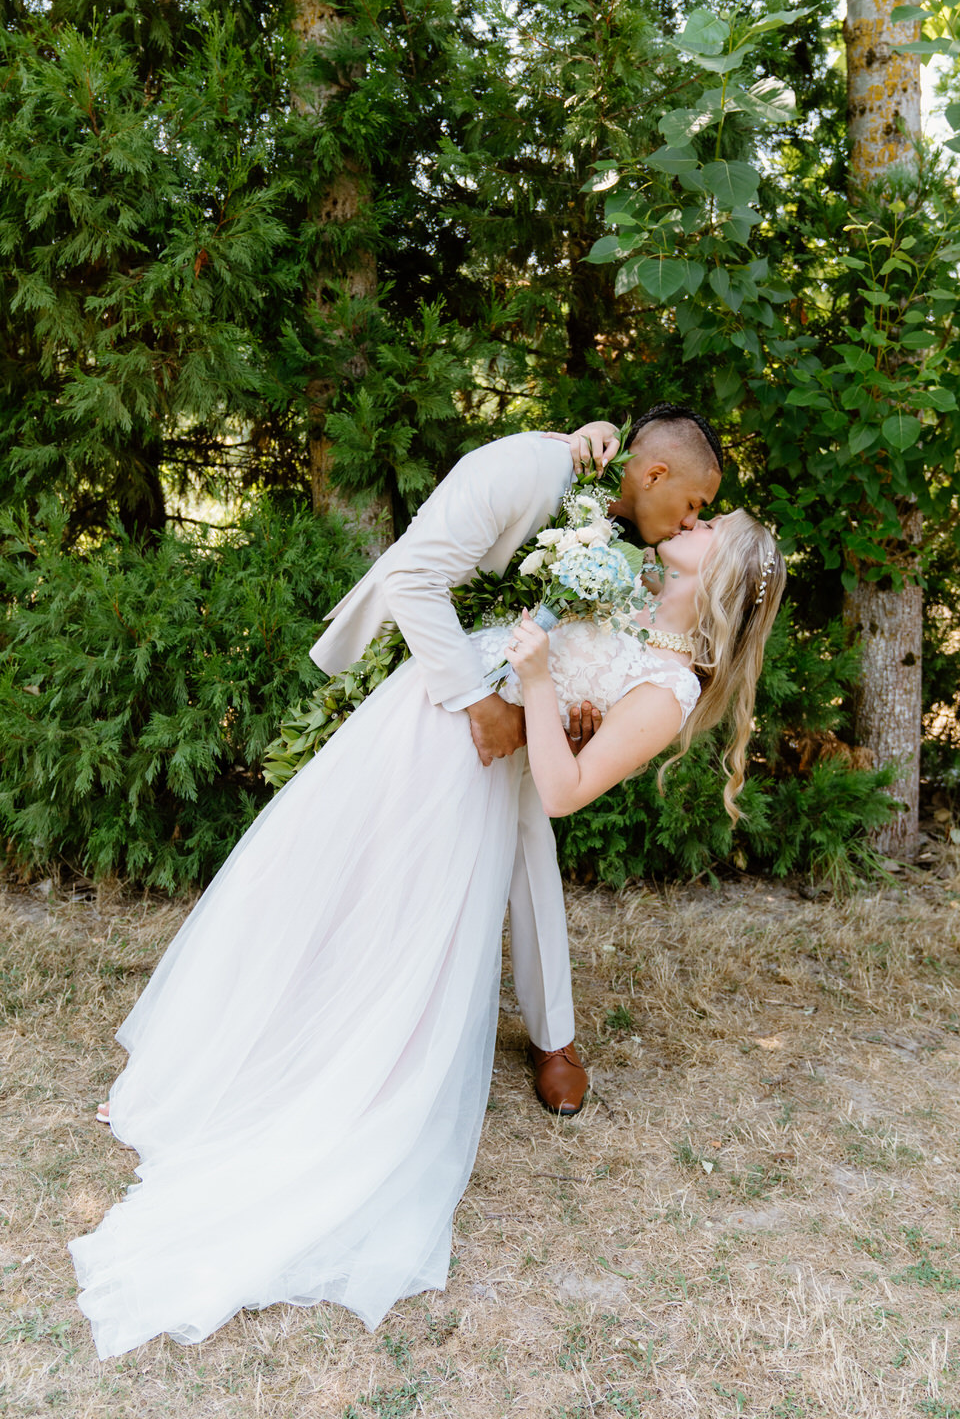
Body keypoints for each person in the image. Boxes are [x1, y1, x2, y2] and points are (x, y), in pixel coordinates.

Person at [70, 442, 784, 1359]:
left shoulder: (671, 685)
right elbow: (564, 657)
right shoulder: (633, 587)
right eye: (699, 508)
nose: (693, 522)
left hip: (471, 761)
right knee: (323, 878)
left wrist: (535, 689)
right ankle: (224, 1064)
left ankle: (310, 1079)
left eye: (709, 525)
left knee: (389, 918)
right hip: (437, 713)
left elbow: (564, 787)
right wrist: (545, 687)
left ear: (721, 573)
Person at [309, 404, 724, 1115]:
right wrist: (481, 703)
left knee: (533, 854)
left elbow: (603, 634)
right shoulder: (527, 471)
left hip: (526, 703)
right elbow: (413, 579)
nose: (691, 523)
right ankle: (350, 1005)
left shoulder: (632, 532)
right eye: (694, 505)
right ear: (654, 473)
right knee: (381, 846)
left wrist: (579, 709)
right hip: (441, 671)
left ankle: (551, 1037)